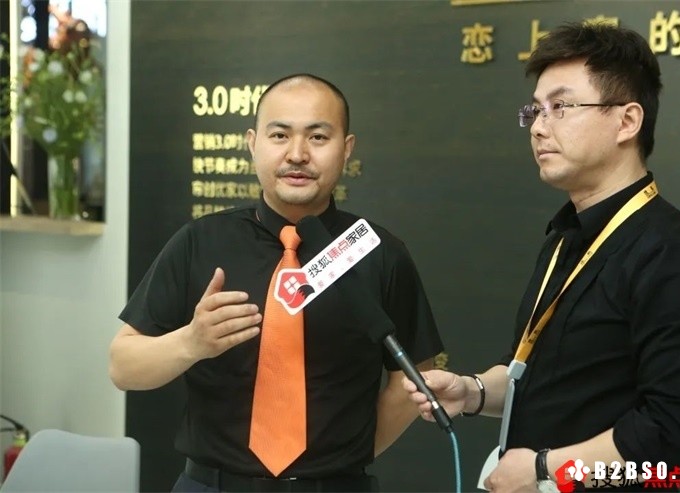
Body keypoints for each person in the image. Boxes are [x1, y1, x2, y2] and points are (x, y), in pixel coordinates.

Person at [404, 22, 680, 493]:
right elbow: (536, 376)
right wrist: (471, 391)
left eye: (560, 107)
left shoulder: (671, 255)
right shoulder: (565, 236)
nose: (539, 127)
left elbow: (672, 437)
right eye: (535, 110)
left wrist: (545, 469)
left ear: (627, 121)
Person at [109, 73, 444, 492]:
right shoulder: (199, 242)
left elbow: (412, 377)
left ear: (346, 148)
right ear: (252, 143)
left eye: (318, 137)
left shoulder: (379, 252)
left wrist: (346, 459)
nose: (297, 154)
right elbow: (123, 366)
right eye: (280, 135)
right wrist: (191, 343)